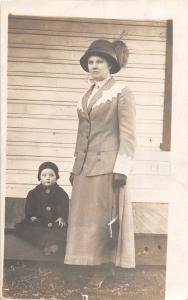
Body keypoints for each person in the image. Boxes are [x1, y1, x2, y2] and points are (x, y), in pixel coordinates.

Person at [65, 39, 136, 287]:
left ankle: (105, 268)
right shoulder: (86, 95)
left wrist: (122, 169)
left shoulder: (121, 92)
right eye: (90, 62)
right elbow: (81, 133)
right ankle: (85, 263)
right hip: (84, 166)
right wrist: (75, 167)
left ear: (110, 65)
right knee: (84, 218)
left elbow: (128, 135)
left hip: (107, 166)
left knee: (104, 218)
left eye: (99, 62)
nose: (94, 66)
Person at [15, 161, 69, 257]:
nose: (48, 178)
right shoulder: (33, 193)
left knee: (61, 231)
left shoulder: (61, 193)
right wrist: (31, 217)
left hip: (54, 222)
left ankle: (54, 245)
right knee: (27, 230)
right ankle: (48, 245)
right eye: (44, 175)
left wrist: (62, 217)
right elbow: (29, 208)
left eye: (51, 175)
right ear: (39, 177)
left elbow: (64, 206)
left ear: (57, 177)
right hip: (38, 222)